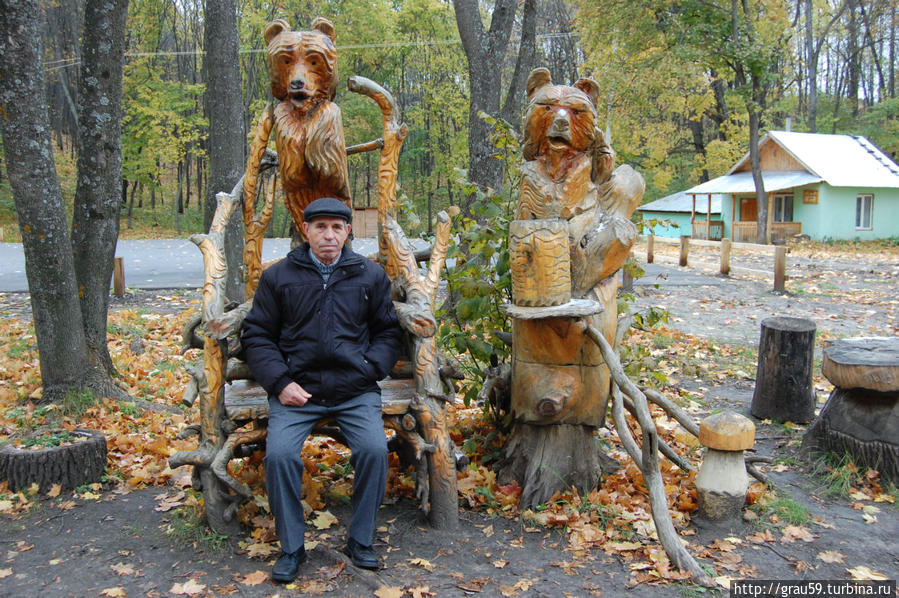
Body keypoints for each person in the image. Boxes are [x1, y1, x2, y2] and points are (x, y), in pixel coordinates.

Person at [241, 197, 403, 583]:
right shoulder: (279, 277)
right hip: (297, 392)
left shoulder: (369, 275)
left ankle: (360, 539)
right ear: (306, 230)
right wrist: (281, 383)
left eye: (336, 227)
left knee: (374, 450)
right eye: (320, 227)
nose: (328, 235)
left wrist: (369, 370)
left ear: (348, 231)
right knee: (279, 456)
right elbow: (258, 335)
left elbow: (387, 331)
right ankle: (292, 547)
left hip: (354, 389)